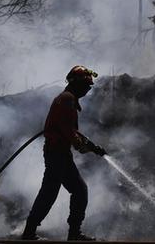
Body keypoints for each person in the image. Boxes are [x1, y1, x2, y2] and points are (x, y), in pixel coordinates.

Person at [21, 65, 105, 241]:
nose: (87, 90)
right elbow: (68, 131)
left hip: (58, 153)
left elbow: (70, 129)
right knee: (74, 191)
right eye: (85, 86)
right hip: (57, 154)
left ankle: (31, 231)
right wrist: (82, 146)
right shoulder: (67, 99)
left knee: (53, 192)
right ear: (76, 84)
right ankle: (71, 233)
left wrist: (92, 146)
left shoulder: (67, 99)